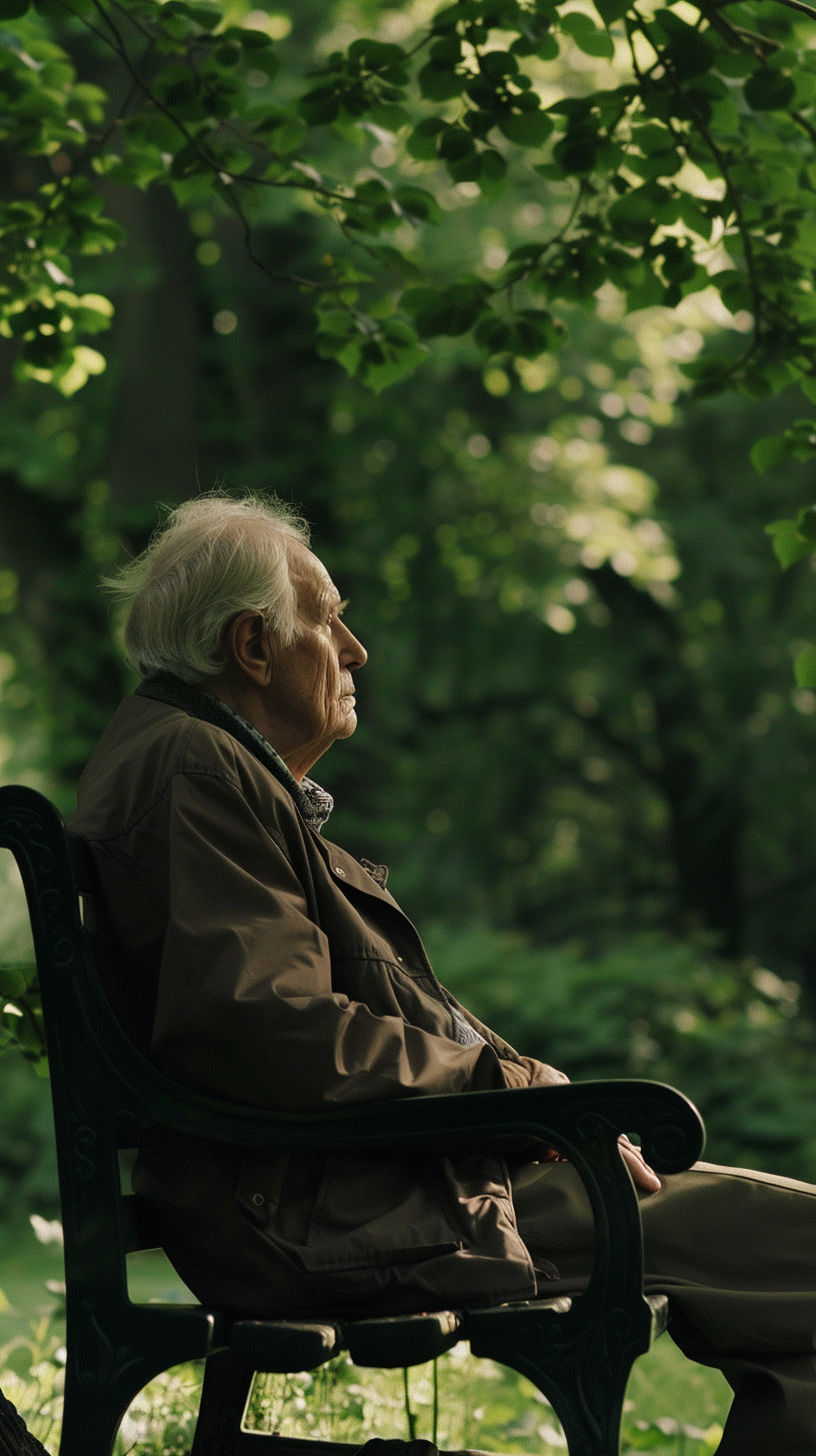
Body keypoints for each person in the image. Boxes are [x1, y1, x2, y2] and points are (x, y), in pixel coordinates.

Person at [70, 494, 816, 1455]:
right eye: (328, 618)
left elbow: (329, 1013)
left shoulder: (210, 767)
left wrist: (535, 1096)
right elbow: (271, 1026)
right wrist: (518, 1098)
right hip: (343, 1205)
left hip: (380, 1181)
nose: (355, 647)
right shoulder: (199, 773)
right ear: (254, 646)